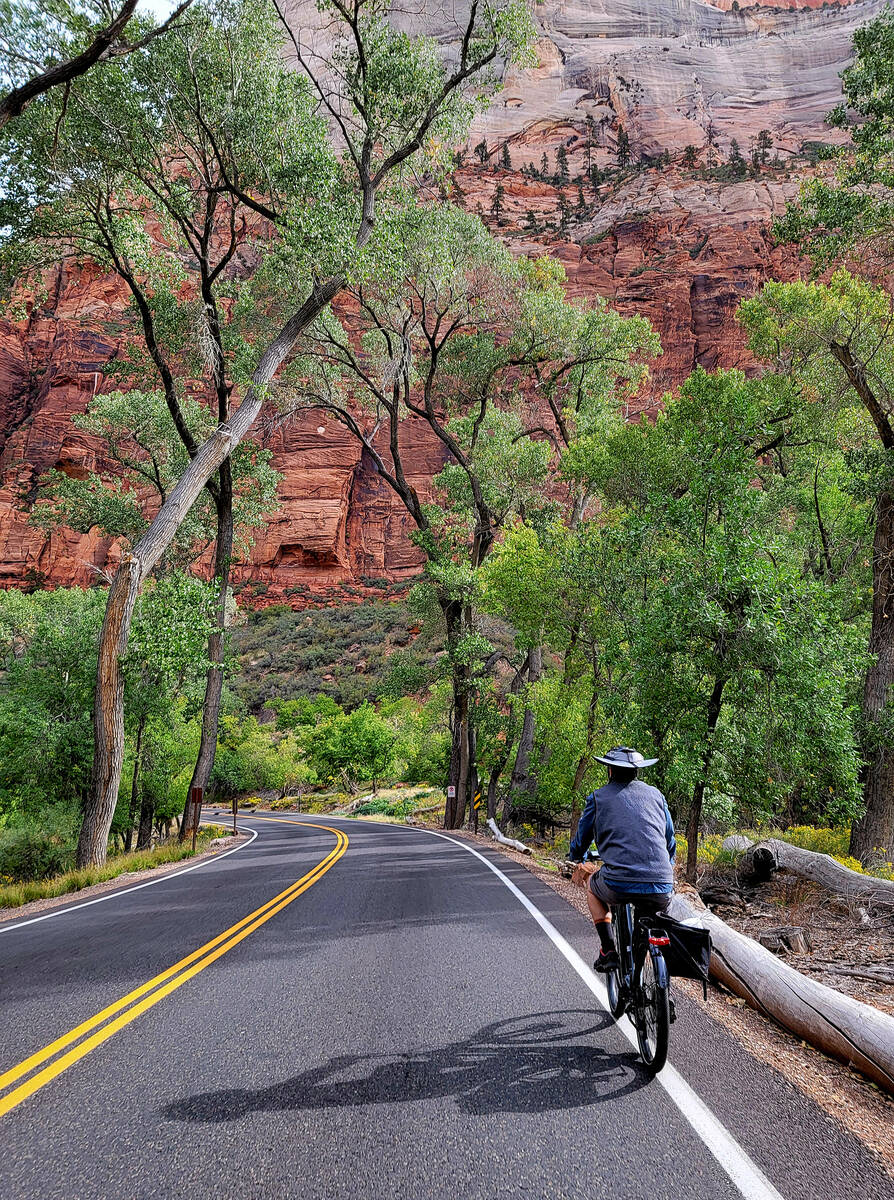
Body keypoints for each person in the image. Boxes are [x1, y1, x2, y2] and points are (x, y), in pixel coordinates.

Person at [567, 746, 676, 973]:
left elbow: (582, 837)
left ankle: (608, 950)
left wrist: (577, 856)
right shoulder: (657, 796)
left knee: (593, 887)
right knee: (646, 921)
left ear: (610, 770)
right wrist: (669, 865)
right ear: (637, 771)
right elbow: (669, 839)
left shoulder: (598, 797)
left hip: (618, 882)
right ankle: (642, 978)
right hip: (662, 883)